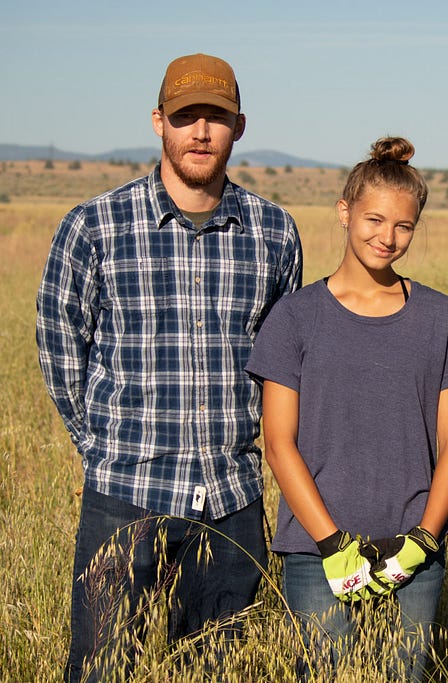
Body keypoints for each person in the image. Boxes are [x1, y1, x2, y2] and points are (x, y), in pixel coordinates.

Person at [36, 53, 303, 682]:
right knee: (102, 669)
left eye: (216, 116)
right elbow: (59, 347)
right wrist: (100, 448)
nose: (201, 132)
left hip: (232, 498)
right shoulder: (94, 227)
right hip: (124, 497)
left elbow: (283, 364)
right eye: (186, 117)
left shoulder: (273, 232)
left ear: (240, 125)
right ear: (159, 121)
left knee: (222, 669)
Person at [245, 136, 448, 680]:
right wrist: (331, 544)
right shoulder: (296, 316)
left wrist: (423, 538)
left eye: (404, 226)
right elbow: (279, 443)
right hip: (316, 551)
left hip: (413, 549)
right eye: (374, 219)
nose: (388, 237)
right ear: (344, 212)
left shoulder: (439, 316)